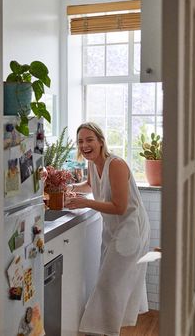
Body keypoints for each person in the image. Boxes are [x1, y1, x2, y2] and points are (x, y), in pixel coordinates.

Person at [65, 122, 150, 336]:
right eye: (81, 141)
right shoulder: (93, 163)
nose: (84, 145)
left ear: (101, 141)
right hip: (113, 228)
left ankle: (108, 331)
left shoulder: (116, 164)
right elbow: (92, 185)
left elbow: (120, 207)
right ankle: (107, 330)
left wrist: (85, 203)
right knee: (110, 281)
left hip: (130, 229)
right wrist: (68, 188)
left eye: (89, 140)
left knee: (110, 283)